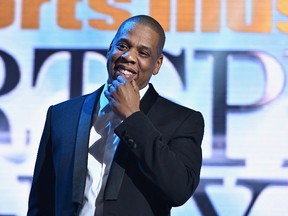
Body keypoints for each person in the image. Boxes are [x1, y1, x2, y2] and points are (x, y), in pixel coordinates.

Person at [27, 15, 204, 216]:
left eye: (143, 52)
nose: (128, 56)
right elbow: (41, 202)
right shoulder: (62, 115)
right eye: (122, 46)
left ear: (157, 64)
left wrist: (133, 117)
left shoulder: (182, 121)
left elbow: (179, 190)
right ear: (110, 48)